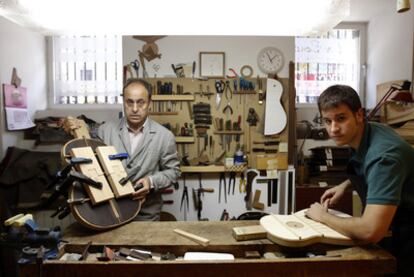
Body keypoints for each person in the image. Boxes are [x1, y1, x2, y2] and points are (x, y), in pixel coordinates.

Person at [305, 84, 414, 275]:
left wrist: (322, 216)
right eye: (327, 121)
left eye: (340, 118)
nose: (334, 129)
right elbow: (369, 167)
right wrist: (346, 184)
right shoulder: (365, 133)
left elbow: (370, 230)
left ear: (359, 115)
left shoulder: (384, 156)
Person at [65, 78, 180, 221]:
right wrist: (76, 126)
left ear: (150, 103)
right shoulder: (104, 130)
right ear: (123, 102)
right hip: (110, 210)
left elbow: (173, 172)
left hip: (146, 213)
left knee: (141, 244)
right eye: (129, 102)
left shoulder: (165, 136)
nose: (135, 108)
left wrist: (151, 182)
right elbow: (89, 155)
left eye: (141, 102)